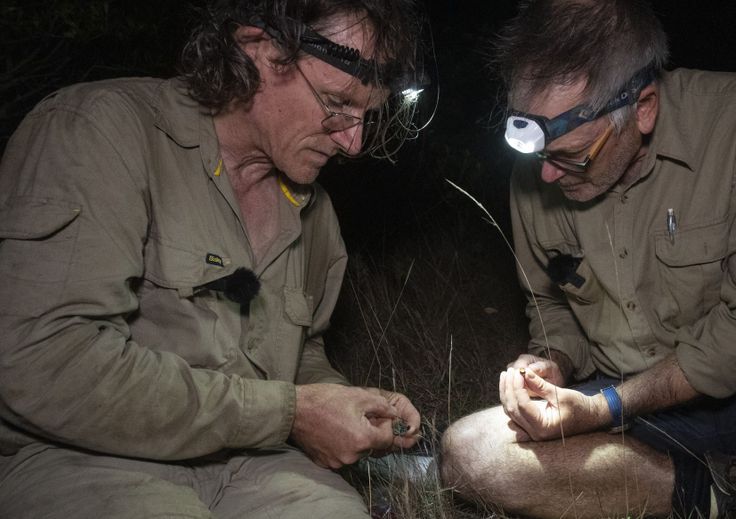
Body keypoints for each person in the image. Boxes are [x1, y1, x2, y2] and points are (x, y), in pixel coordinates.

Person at [0, 1, 426, 517]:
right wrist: (287, 415)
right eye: (337, 102)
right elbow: (46, 362)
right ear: (256, 50)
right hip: (85, 458)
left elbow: (302, 350)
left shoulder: (314, 212)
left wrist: (347, 404)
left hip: (257, 463)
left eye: (366, 115)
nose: (353, 142)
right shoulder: (98, 131)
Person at [440, 1, 736, 518]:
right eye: (539, 155)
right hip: (633, 412)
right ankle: (726, 493)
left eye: (572, 156)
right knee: (470, 453)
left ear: (644, 107)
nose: (547, 177)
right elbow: (552, 307)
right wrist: (551, 363)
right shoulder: (537, 177)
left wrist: (605, 408)